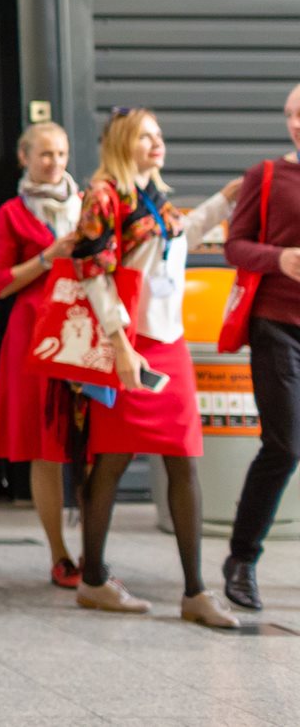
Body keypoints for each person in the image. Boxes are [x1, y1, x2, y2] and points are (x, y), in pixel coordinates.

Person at [69, 108, 240, 627]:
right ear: (124, 141)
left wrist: (226, 199)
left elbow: (179, 237)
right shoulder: (103, 195)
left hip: (170, 345)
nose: (158, 142)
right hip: (131, 345)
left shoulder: (155, 198)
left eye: (160, 135)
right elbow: (93, 270)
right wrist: (120, 344)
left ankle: (196, 592)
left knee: (184, 461)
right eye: (147, 135)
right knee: (113, 462)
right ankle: (94, 580)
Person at [0, 121, 85, 588]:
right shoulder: (10, 213)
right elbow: (1, 282)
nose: (55, 163)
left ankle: (95, 549)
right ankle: (60, 553)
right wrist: (49, 256)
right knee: (46, 447)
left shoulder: (90, 207)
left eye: (62, 154)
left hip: (84, 333)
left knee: (92, 442)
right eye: (45, 154)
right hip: (34, 335)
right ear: (24, 157)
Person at [222, 81, 300, 611]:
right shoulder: (267, 175)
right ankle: (242, 557)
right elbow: (234, 245)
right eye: (293, 116)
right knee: (287, 444)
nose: (298, 124)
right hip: (277, 324)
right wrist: (279, 260)